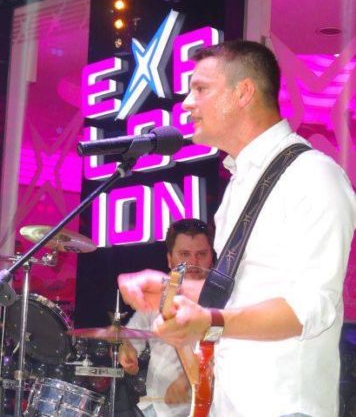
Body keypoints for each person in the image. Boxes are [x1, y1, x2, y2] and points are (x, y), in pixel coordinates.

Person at [118, 40, 356, 417]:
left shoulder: (313, 176)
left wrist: (209, 320)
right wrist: (171, 289)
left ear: (243, 92)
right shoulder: (240, 182)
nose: (187, 103)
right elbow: (243, 294)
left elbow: (312, 307)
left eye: (201, 89)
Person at [119, 218, 215, 417]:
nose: (193, 263)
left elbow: (227, 352)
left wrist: (188, 380)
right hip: (156, 407)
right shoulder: (159, 295)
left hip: (209, 409)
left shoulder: (225, 301)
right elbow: (132, 336)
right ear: (170, 259)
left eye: (201, 254)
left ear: (211, 258)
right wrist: (127, 350)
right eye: (184, 254)